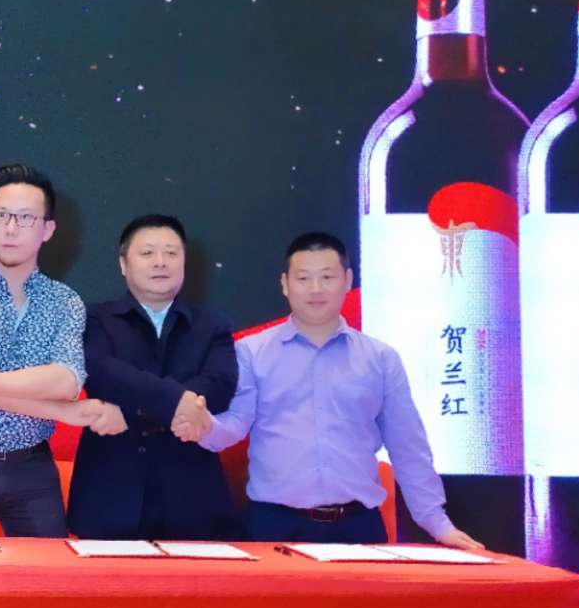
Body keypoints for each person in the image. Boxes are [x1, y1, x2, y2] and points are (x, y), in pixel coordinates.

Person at [196, 231, 484, 548]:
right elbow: (236, 424)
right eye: (303, 278)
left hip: (358, 525)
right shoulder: (251, 352)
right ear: (285, 284)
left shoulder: (380, 358)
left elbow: (407, 445)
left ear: (347, 281)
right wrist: (204, 427)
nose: (315, 289)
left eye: (327, 277)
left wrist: (436, 523)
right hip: (275, 524)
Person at [0, 163, 116, 537]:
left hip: (33, 469)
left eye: (25, 218)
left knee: (46, 572)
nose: (10, 228)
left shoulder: (65, 301)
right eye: (1, 215)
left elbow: (66, 380)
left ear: (48, 229)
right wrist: (63, 412)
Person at [67, 214, 239, 539]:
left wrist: (143, 406)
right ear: (123, 264)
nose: (160, 262)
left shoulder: (212, 324)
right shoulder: (95, 319)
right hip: (110, 491)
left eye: (171, 253)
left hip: (192, 495)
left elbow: (220, 385)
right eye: (147, 253)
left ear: (184, 262)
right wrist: (178, 402)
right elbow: (102, 373)